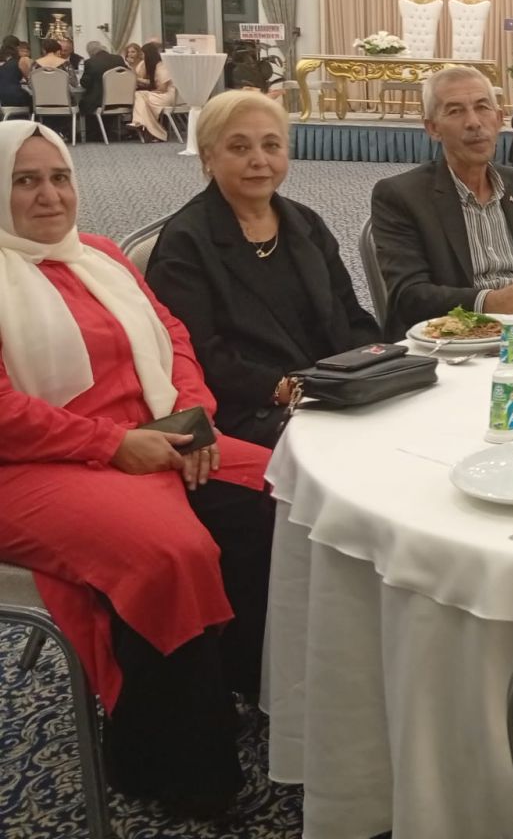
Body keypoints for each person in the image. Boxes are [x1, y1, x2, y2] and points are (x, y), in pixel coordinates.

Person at [0, 121, 274, 818]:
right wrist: (114, 445)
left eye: (59, 178)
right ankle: (176, 763)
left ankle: (258, 680)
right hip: (35, 462)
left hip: (154, 434)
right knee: (170, 553)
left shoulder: (97, 254)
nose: (49, 196)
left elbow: (171, 335)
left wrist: (191, 411)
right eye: (25, 181)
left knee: (286, 491)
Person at [145, 92, 381, 447]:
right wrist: (289, 389)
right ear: (208, 157)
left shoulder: (306, 223)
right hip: (249, 408)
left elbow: (350, 314)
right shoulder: (186, 241)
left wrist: (372, 366)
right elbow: (200, 354)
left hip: (328, 389)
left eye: (271, 145)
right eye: (239, 148)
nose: (259, 160)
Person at [371, 68, 513, 338]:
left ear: (498, 119)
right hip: (453, 342)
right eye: (455, 111)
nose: (473, 122)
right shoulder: (402, 196)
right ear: (433, 128)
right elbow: (408, 296)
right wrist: (488, 302)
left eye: (482, 108)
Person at [130, 40, 176, 142]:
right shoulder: (155, 66)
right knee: (141, 100)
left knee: (140, 96)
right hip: (162, 95)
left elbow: (163, 88)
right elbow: (154, 83)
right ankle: (145, 126)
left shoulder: (161, 66)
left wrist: (150, 92)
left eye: (143, 54)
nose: (142, 57)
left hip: (166, 96)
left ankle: (141, 122)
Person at [77, 39, 125, 119]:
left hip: (99, 102)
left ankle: (87, 127)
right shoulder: (119, 59)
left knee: (82, 104)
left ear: (90, 53)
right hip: (119, 100)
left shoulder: (90, 62)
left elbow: (85, 83)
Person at [0, 37, 31, 111]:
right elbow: (30, 79)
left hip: (2, 98)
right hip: (16, 97)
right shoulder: (20, 60)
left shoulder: (2, 60)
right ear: (17, 47)